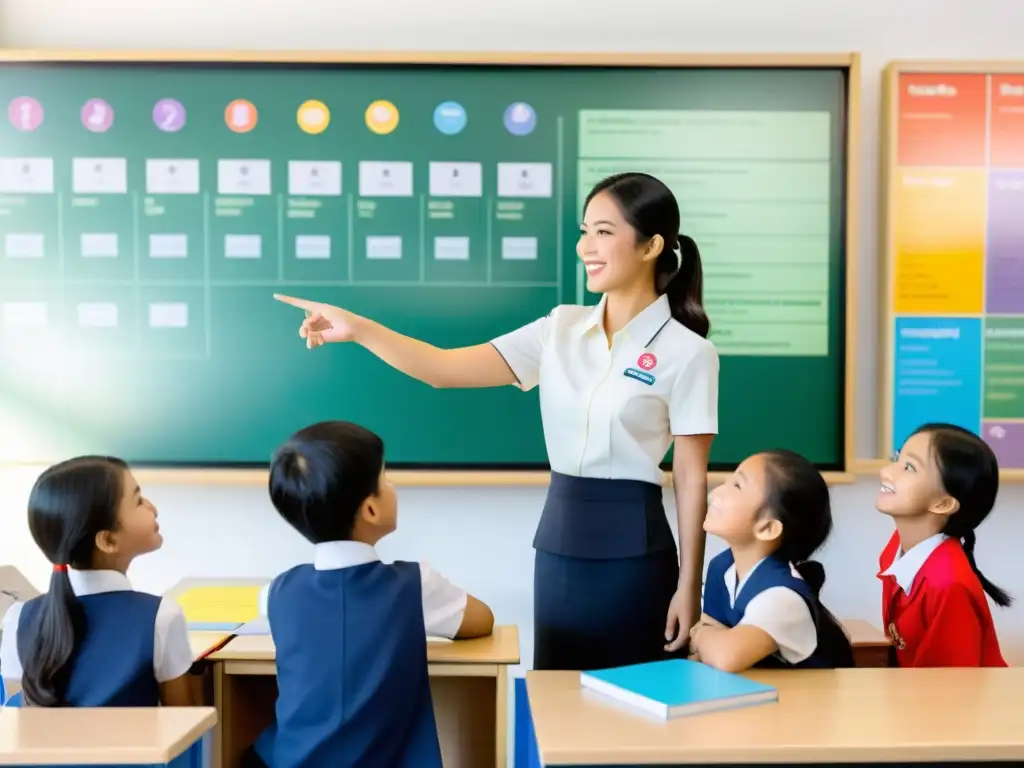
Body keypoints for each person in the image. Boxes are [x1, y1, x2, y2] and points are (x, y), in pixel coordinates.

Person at [272, 172, 719, 671]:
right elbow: (444, 368)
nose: (585, 246)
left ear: (651, 246)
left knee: (636, 707)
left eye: (604, 232)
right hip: (559, 544)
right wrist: (360, 330)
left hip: (638, 556)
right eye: (584, 230)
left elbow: (690, 475)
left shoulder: (690, 353)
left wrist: (688, 586)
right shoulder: (560, 329)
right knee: (556, 706)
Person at [246, 421, 493, 768]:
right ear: (371, 509)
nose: (392, 486)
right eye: (385, 480)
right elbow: (482, 620)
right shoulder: (415, 586)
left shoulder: (275, 594)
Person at [0, 456, 196, 707]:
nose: (152, 508)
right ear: (108, 541)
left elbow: (18, 722)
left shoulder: (18, 619)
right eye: (138, 501)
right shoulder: (161, 617)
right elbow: (186, 727)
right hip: (137, 746)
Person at [689, 449, 854, 671]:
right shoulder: (722, 567)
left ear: (768, 528)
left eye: (737, 486)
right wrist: (708, 636)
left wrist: (701, 635)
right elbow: (708, 641)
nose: (716, 492)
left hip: (807, 702)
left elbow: (725, 656)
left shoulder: (782, 597)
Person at [877, 422, 1010, 667]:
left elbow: (951, 690)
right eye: (896, 458)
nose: (887, 472)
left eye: (908, 467)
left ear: (943, 504)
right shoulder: (896, 547)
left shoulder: (948, 585)